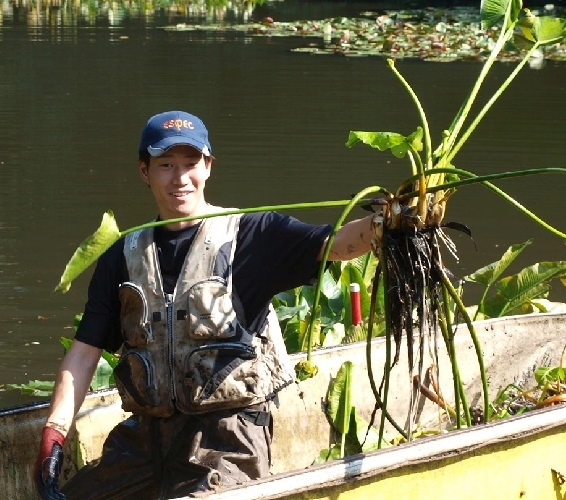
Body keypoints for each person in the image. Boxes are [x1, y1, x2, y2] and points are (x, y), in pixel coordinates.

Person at [34, 110, 375, 500]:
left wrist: (384, 225)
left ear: (208, 166)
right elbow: (84, 353)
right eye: (165, 165)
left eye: (190, 163)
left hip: (227, 442)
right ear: (144, 171)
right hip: (147, 440)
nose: (180, 178)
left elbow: (336, 244)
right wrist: (53, 434)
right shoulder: (122, 254)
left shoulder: (251, 235)